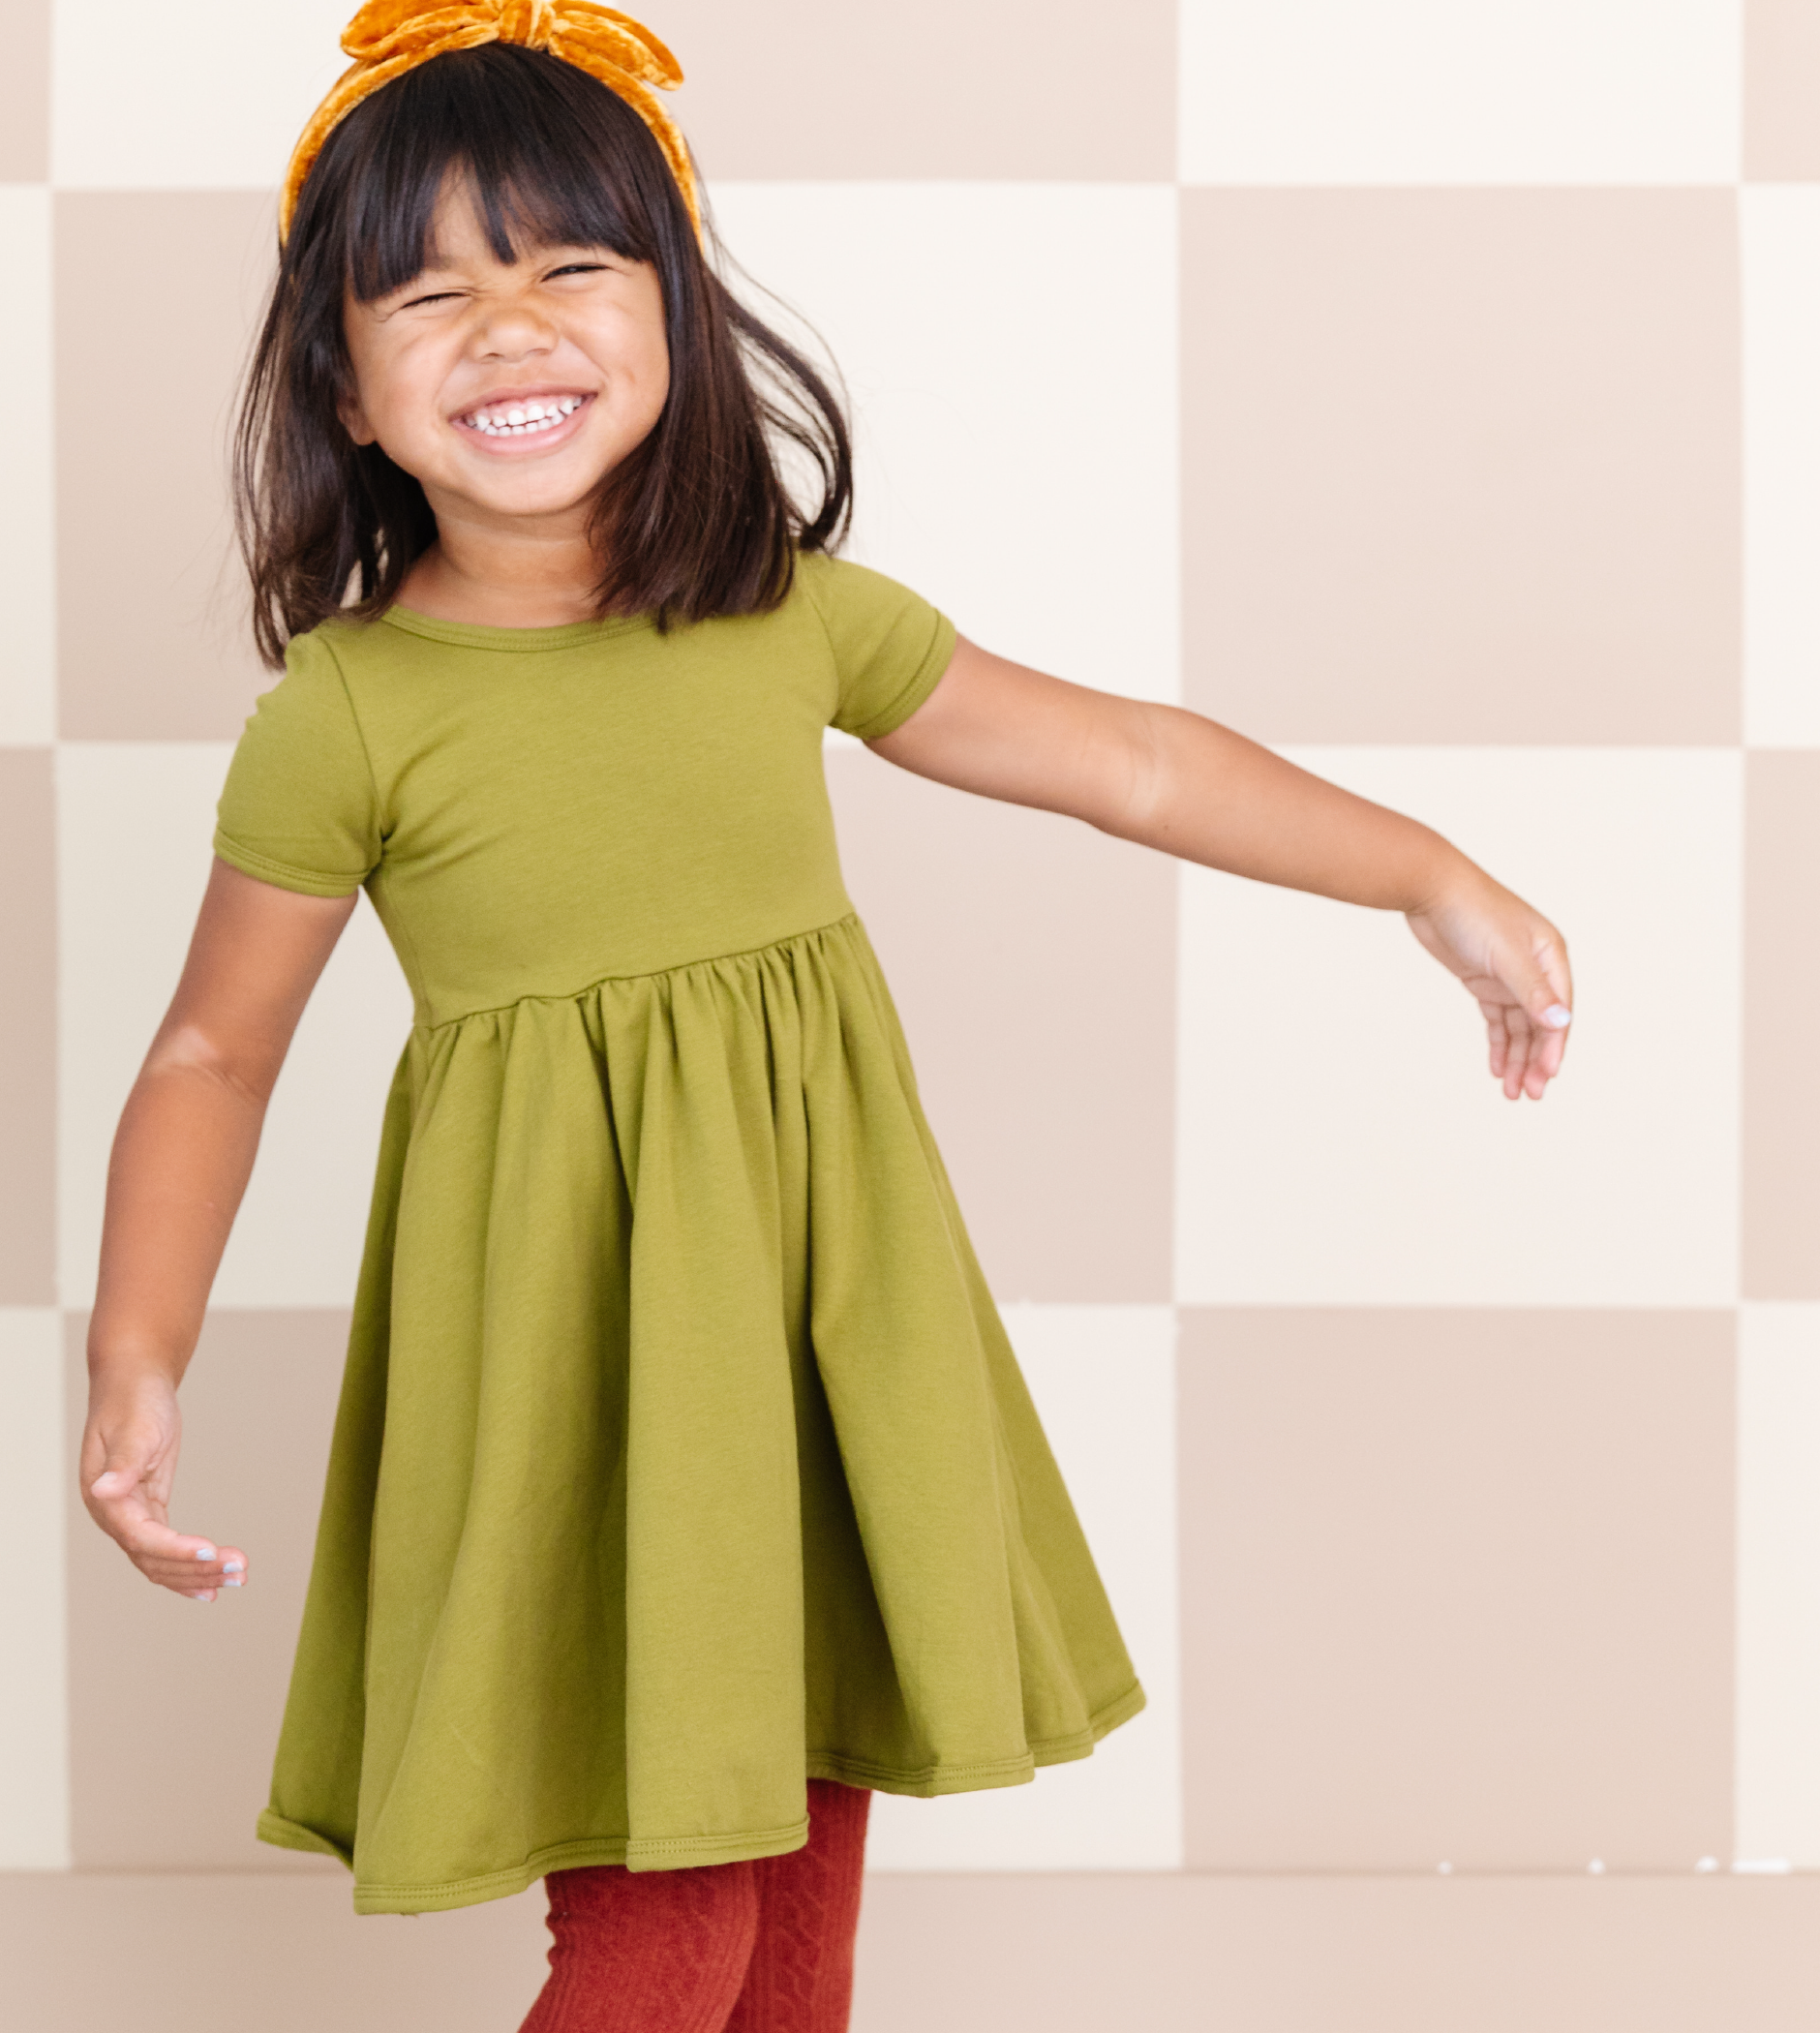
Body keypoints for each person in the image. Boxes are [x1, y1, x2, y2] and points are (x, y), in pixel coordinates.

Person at [78, 6, 1575, 2028]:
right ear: (343, 389)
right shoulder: (353, 713)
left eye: (569, 268)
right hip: (584, 1389)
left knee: (799, 1940)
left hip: (810, 1344)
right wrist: (139, 1356)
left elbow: (1128, 761)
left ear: (677, 312)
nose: (507, 330)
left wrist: (1426, 873)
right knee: (671, 1937)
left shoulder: (779, 610)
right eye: (428, 294)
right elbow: (212, 1056)